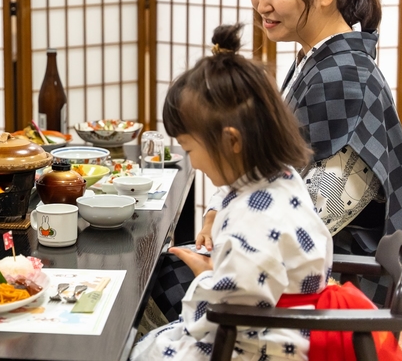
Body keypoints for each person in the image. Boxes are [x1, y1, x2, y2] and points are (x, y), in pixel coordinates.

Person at [200, 0, 402, 299]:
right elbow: (274, 161)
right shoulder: (318, 58)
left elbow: (317, 212)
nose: (262, 5)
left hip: (331, 282)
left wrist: (228, 245)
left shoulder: (344, 76)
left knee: (164, 282)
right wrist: (218, 209)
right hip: (294, 257)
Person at [132, 24, 333, 360]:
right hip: (280, 326)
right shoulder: (281, 177)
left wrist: (204, 277)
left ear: (231, 141)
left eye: (190, 149)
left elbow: (222, 312)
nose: (193, 164)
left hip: (259, 344)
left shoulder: (255, 214)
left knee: (145, 350)